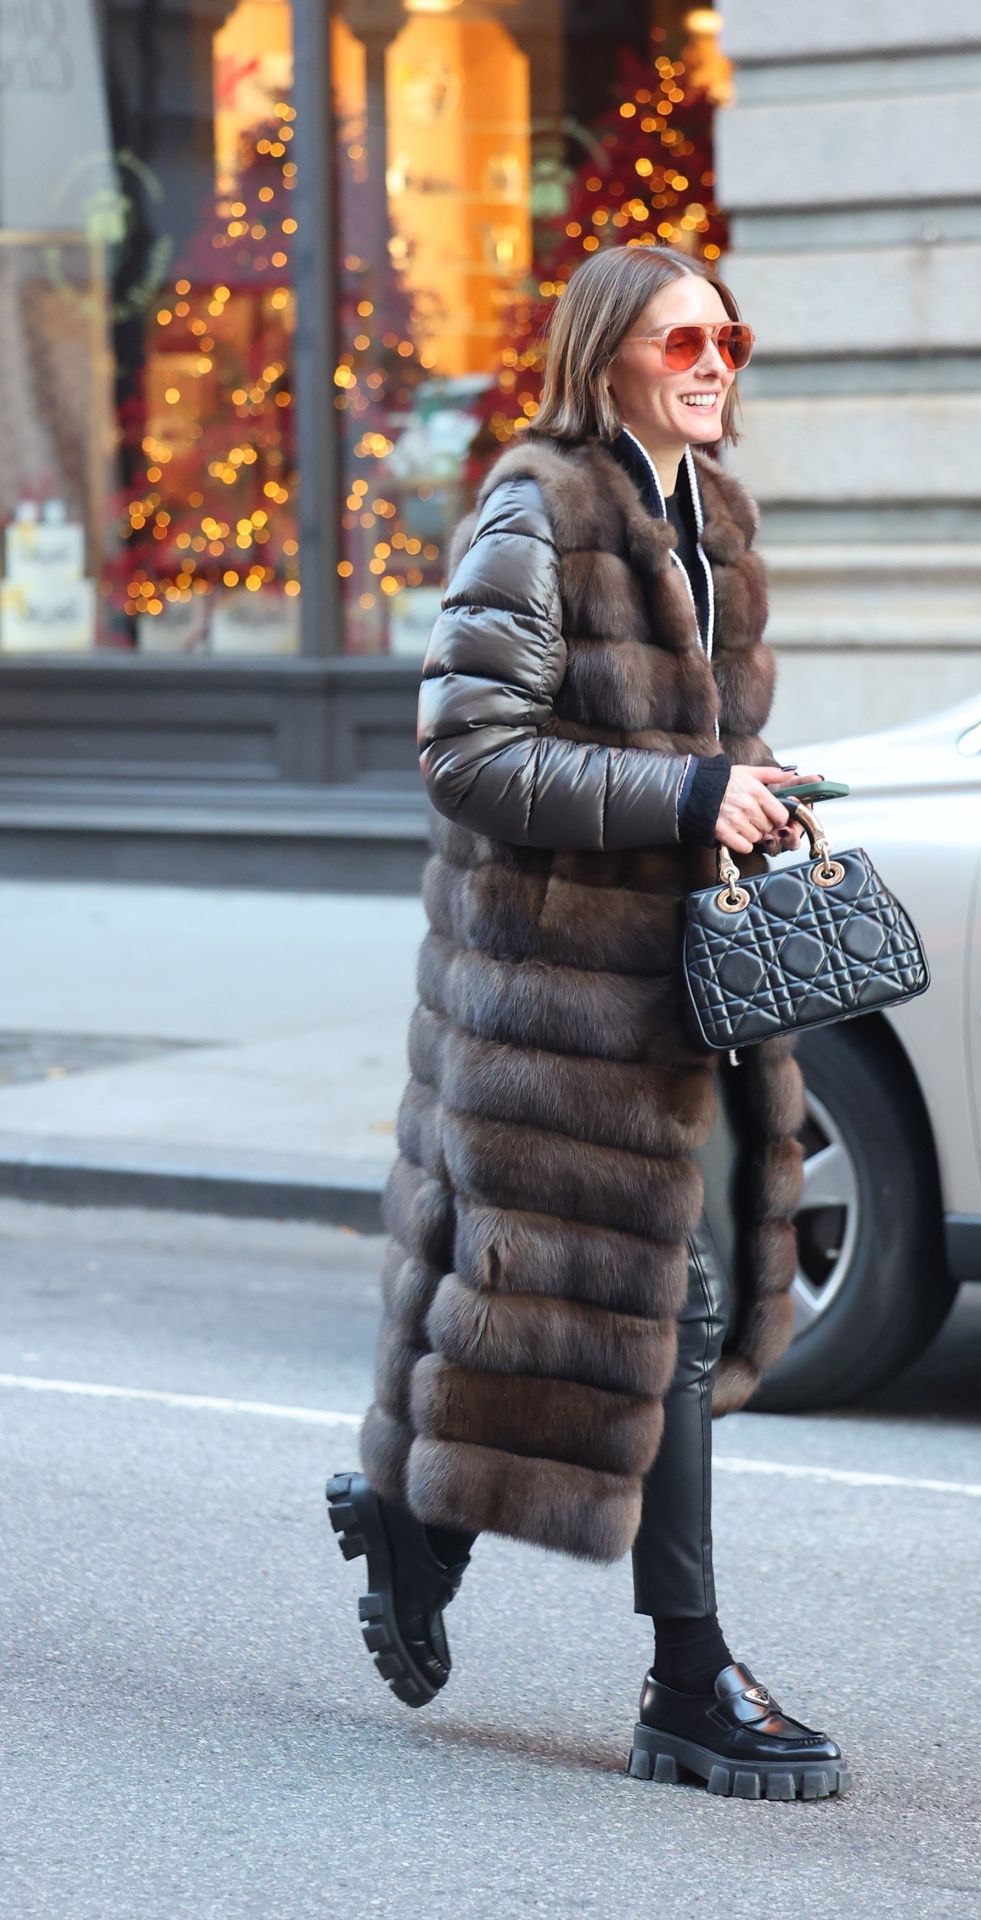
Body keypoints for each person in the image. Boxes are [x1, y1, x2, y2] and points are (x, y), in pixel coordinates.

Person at [327, 243, 850, 1803]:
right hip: (552, 1002)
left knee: (596, 1314)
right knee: (653, 1316)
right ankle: (688, 1676)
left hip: (670, 986)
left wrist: (755, 794)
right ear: (606, 352)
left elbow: (685, 738)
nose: (714, 360)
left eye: (730, 335)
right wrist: (693, 793)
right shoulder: (537, 503)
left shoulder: (713, 517)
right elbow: (470, 749)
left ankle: (419, 1516)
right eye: (682, 335)